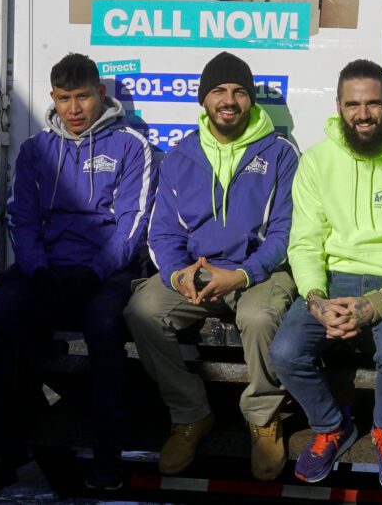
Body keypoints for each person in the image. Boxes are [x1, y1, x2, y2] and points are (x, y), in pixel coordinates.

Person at [0, 53, 157, 491]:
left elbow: (132, 227)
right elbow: (20, 219)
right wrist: (39, 271)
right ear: (53, 98)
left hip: (105, 272)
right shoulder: (36, 150)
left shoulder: (131, 145)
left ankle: (107, 457)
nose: (74, 109)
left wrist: (93, 273)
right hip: (45, 268)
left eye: (83, 97)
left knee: (103, 327)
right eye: (64, 99)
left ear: (100, 94)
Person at [269, 59, 382, 490]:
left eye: (372, 103)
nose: (363, 114)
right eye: (353, 104)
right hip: (334, 280)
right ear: (338, 105)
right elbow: (305, 242)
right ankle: (332, 425)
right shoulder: (316, 162)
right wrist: (316, 299)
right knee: (286, 351)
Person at [124, 52, 298, 481]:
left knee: (260, 316)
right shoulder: (181, 155)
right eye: (219, 91)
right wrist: (177, 274)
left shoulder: (280, 153)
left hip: (256, 272)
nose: (229, 100)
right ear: (203, 100)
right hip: (196, 273)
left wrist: (241, 274)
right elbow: (162, 233)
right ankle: (190, 414)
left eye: (239, 91)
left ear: (251, 100)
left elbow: (285, 233)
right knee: (142, 311)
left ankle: (262, 417)